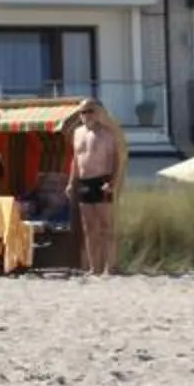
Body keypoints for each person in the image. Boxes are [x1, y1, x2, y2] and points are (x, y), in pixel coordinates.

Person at [71, 100, 125, 276]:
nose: (86, 115)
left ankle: (112, 266)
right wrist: (72, 182)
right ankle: (95, 267)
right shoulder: (77, 133)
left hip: (102, 180)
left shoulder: (107, 133)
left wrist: (113, 182)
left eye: (90, 111)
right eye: (83, 112)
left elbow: (117, 159)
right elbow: (75, 159)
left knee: (106, 225)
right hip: (84, 181)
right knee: (88, 227)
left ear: (98, 112)